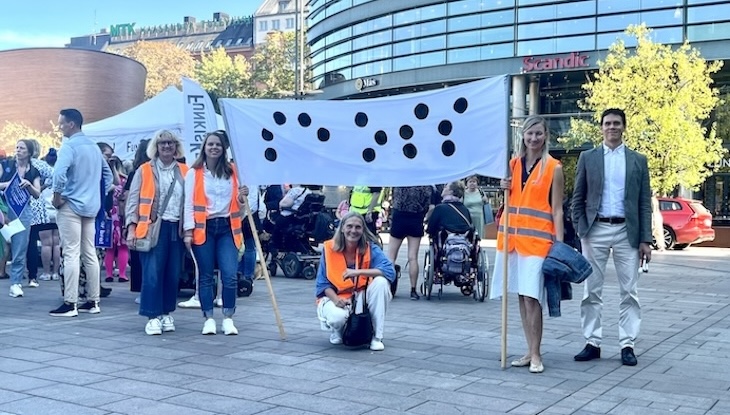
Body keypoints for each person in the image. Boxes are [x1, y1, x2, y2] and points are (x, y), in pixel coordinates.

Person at [572, 108, 652, 367]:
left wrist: (646, 239)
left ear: (624, 127)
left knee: (630, 291)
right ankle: (592, 342)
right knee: (591, 290)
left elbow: (643, 202)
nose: (612, 127)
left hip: (626, 232)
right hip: (595, 231)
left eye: (617, 123)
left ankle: (627, 344)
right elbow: (577, 198)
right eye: (607, 123)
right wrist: (581, 230)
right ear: (601, 127)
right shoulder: (588, 157)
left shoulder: (638, 160)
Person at [489, 116, 564, 374]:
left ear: (545, 136)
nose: (534, 138)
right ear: (523, 135)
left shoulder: (554, 167)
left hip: (538, 241)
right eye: (530, 133)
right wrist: (503, 187)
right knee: (521, 296)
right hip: (511, 239)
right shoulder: (512, 165)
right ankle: (529, 350)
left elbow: (557, 209)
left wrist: (560, 245)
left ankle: (536, 353)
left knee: (533, 297)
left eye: (539, 134)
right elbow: (510, 201)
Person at [50, 108, 113, 317]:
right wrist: (97, 194)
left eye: (61, 123)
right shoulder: (94, 147)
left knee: (71, 254)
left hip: (71, 205)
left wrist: (58, 197)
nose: (59, 127)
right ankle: (93, 300)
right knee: (90, 254)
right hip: (91, 206)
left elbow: (58, 173)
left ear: (71, 124)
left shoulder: (69, 146)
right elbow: (108, 175)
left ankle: (71, 302)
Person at [184, 130, 248, 335]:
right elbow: (188, 204)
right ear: (204, 147)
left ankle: (228, 317)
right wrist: (188, 230)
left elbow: (241, 206)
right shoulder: (195, 173)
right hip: (204, 229)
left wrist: (241, 198)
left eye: (218, 145)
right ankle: (208, 317)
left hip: (228, 228)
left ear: (224, 148)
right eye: (210, 144)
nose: (214, 148)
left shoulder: (234, 171)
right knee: (205, 276)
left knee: (229, 275)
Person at [126, 130, 188, 335]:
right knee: (152, 273)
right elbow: (132, 201)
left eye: (170, 143)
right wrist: (131, 228)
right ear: (156, 147)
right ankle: (152, 315)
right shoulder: (144, 170)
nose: (167, 146)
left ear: (176, 146)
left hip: (176, 227)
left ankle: (166, 312)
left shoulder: (185, 170)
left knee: (172, 274)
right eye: (162, 143)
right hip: (152, 229)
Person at [315, 212, 395, 351]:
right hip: (336, 296)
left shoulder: (371, 248)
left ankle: (377, 337)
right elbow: (322, 283)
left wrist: (358, 272)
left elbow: (390, 271)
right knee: (337, 317)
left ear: (363, 230)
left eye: (358, 227)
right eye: (349, 226)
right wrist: (335, 300)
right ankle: (337, 329)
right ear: (342, 228)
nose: (353, 231)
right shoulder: (329, 249)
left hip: (360, 296)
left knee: (381, 282)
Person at [0, 139, 42, 297]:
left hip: (23, 211)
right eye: (17, 147)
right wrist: (8, 185)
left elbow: (37, 194)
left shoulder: (33, 171)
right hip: (4, 210)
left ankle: (15, 283)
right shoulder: (6, 165)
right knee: (3, 246)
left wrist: (29, 185)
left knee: (19, 248)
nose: (18, 150)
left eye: (22, 148)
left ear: (30, 152)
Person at [386, 186, 434, 300]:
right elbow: (428, 204)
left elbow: (393, 198)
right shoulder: (424, 185)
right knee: (413, 257)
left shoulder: (400, 182)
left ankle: (388, 287)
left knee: (391, 257)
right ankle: (413, 290)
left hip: (399, 217)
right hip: (415, 219)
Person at [124, 139, 151, 302]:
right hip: (143, 221)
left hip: (139, 221)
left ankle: (142, 290)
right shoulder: (139, 172)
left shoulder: (135, 172)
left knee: (141, 257)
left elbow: (127, 198)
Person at [104, 155, 129, 282]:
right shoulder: (125, 180)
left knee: (109, 247)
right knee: (123, 246)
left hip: (107, 214)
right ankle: (122, 274)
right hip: (120, 214)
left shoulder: (103, 179)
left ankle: (109, 274)